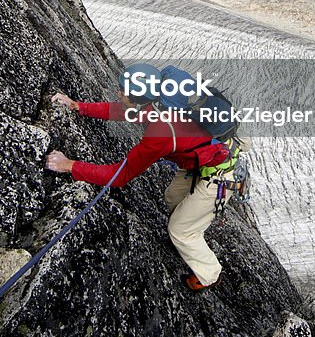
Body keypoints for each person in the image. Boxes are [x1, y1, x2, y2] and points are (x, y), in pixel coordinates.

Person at [44, 68, 236, 291]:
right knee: (172, 198)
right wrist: (79, 106)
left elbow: (119, 176)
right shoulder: (157, 103)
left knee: (179, 230)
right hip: (200, 164)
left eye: (124, 91)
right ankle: (195, 225)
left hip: (217, 176)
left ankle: (210, 275)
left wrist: (70, 165)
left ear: (137, 97)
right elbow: (121, 111)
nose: (119, 94)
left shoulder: (160, 133)